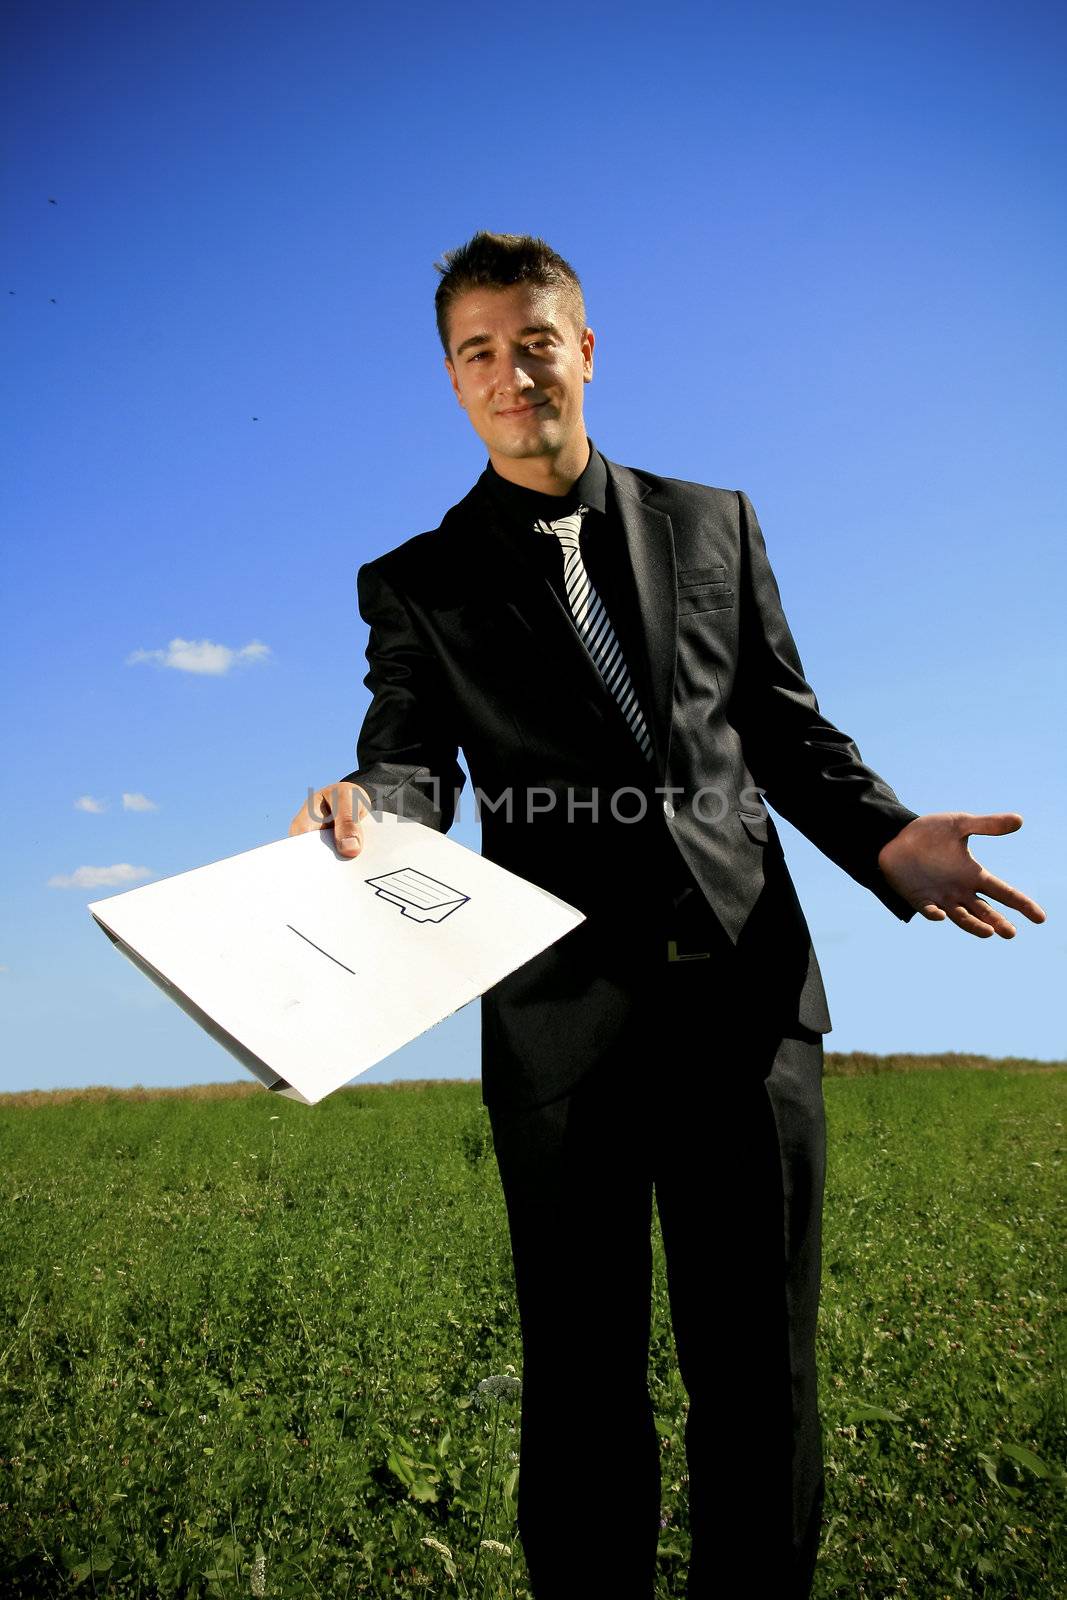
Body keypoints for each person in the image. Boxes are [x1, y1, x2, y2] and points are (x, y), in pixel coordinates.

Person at [288, 232, 1044, 1599]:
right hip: (563, 1028)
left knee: (763, 1369)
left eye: (535, 340)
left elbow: (786, 730)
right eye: (479, 352)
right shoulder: (418, 581)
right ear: (453, 380)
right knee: (580, 1383)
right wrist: (366, 801)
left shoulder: (716, 523)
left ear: (584, 350)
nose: (512, 372)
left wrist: (883, 836)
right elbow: (411, 755)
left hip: (749, 1004)